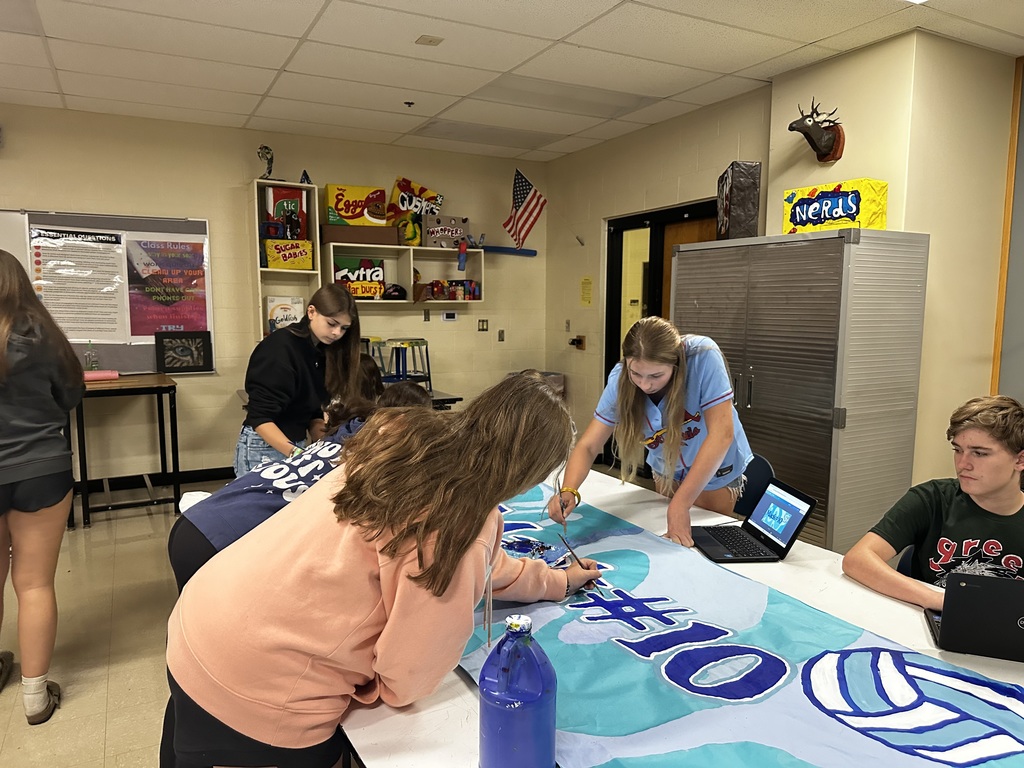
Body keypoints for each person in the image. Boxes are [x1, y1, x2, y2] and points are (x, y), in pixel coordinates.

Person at [161, 373, 600, 768]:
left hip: (198, 621)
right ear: (529, 470)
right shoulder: (461, 518)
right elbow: (410, 671)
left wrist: (556, 580)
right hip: (263, 683)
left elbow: (480, 563)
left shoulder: (403, 435)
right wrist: (367, 687)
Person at [167, 379, 432, 592]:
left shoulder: (348, 430)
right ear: (404, 423)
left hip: (198, 519)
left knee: (187, 631)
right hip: (219, 540)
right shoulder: (374, 458)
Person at [549, 316, 752, 546]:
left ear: (676, 365)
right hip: (666, 469)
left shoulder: (703, 357)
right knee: (665, 540)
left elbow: (721, 434)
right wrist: (568, 489)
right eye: (636, 374)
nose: (645, 385)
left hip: (714, 468)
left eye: (656, 376)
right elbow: (589, 445)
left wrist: (681, 504)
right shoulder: (620, 379)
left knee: (703, 543)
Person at [0, 249, 85, 725]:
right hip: (41, 468)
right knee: (33, 583)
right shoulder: (42, 336)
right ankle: (35, 696)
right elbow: (71, 393)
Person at [842, 395, 1024, 611]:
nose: (963, 464)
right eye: (957, 450)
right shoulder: (932, 498)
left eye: (979, 453)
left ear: (1020, 460)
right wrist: (938, 600)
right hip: (931, 623)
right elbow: (857, 560)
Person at [235, 284, 360, 477]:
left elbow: (312, 412)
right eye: (332, 324)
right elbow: (260, 418)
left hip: (296, 444)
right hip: (264, 447)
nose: (337, 333)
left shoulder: (323, 350)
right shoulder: (280, 348)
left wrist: (325, 446)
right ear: (311, 312)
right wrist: (298, 454)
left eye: (344, 328)